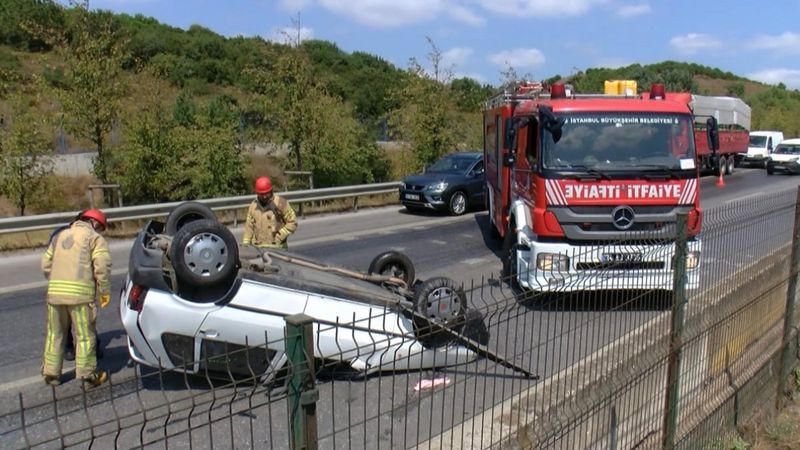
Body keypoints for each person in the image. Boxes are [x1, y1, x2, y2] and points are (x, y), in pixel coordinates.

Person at [41, 209, 111, 388]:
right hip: (80, 298)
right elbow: (102, 267)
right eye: (100, 228)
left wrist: (58, 281)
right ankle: (88, 376)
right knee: (85, 337)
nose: (99, 232)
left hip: (55, 295)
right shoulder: (94, 239)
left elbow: (46, 264)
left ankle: (51, 375)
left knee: (55, 335)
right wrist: (104, 291)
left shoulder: (60, 235)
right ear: (95, 223)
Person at [48, 212, 102, 362]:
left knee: (59, 326)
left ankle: (63, 356)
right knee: (85, 325)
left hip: (57, 287)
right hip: (79, 289)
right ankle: (91, 357)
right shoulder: (86, 236)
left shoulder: (59, 234)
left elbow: (49, 260)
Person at [242, 176, 298, 249]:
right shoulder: (253, 206)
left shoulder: (281, 203)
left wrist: (279, 236)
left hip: (277, 248)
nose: (264, 197)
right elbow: (249, 227)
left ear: (271, 190)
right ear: (257, 193)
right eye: (262, 194)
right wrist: (246, 245)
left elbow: (292, 222)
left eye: (266, 193)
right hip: (258, 249)